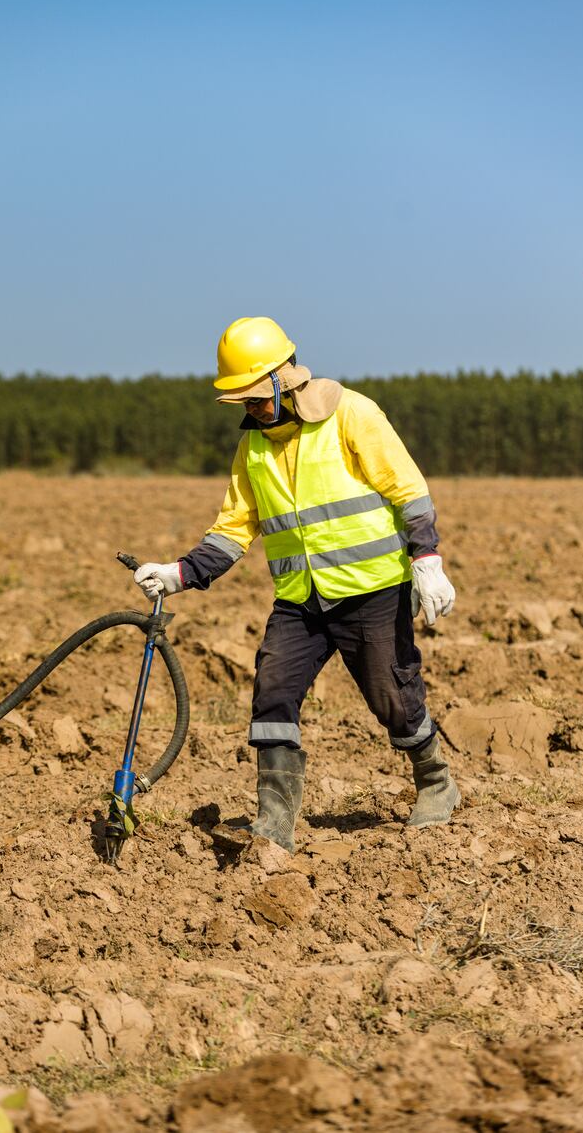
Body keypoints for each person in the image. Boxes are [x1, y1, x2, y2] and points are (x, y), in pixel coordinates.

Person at [133, 316, 459, 853]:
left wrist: (426, 558)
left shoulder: (352, 413)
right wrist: (180, 572)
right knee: (273, 693)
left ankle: (435, 782)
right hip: (299, 602)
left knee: (393, 699)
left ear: (286, 379)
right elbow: (235, 527)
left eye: (257, 397)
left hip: (371, 591)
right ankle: (275, 820)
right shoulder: (254, 449)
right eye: (243, 401)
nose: (251, 409)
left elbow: (409, 490)